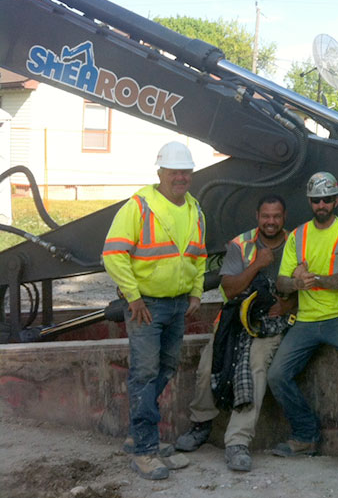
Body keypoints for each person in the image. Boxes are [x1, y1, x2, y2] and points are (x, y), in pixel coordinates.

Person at [102, 141, 207, 480]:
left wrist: (195, 293)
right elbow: (113, 253)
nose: (180, 177)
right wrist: (133, 298)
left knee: (165, 368)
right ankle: (146, 449)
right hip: (146, 306)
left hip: (178, 304)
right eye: (174, 171)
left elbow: (199, 256)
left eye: (185, 171)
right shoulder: (140, 206)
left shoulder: (195, 209)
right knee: (145, 374)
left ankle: (139, 435)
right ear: (160, 172)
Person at [266, 172, 338, 481]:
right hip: (306, 320)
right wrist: (294, 281)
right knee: (277, 375)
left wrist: (309, 280)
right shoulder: (298, 236)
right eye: (316, 200)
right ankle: (305, 435)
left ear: (336, 200)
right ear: (310, 202)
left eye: (327, 199)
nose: (321, 205)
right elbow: (281, 281)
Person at [174, 194, 293, 472]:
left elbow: (304, 286)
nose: (271, 222)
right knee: (207, 367)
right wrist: (257, 265)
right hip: (235, 319)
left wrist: (287, 304)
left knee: (254, 369)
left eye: (276, 216)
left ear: (284, 217)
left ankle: (238, 442)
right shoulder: (241, 245)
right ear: (257, 217)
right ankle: (201, 424)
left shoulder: (296, 243)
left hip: (272, 323)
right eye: (266, 216)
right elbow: (229, 289)